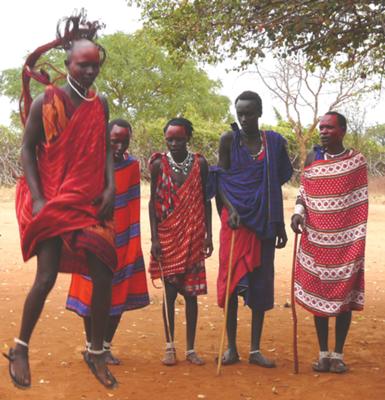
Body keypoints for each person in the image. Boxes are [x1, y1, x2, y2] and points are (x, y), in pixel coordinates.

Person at [5, 12, 118, 388]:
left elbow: (103, 148)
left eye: (94, 66)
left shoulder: (99, 104)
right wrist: (38, 198)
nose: (89, 72)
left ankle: (96, 350)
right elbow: (25, 150)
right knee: (46, 276)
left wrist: (110, 187)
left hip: (90, 199)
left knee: (103, 270)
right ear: (68, 64)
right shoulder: (46, 102)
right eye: (83, 66)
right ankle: (20, 346)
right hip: (54, 197)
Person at [210, 91, 292, 367]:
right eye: (240, 113)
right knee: (233, 284)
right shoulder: (228, 140)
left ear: (259, 113)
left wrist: (278, 222)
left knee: (260, 284)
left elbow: (276, 181)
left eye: (249, 113)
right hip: (234, 224)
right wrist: (231, 209)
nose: (244, 118)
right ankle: (231, 348)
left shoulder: (274, 143)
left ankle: (255, 350)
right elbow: (219, 181)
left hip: (263, 223)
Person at [66, 118, 150, 364]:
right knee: (91, 291)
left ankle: (104, 346)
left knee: (119, 293)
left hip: (123, 239)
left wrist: (133, 240)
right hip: (91, 237)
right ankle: (91, 347)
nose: (120, 147)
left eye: (125, 141)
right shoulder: (88, 163)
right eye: (115, 141)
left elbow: (133, 203)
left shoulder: (132, 166)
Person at [291, 111, 368, 373]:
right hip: (317, 241)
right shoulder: (314, 158)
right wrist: (297, 214)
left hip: (347, 244)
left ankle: (338, 354)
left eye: (329, 128)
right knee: (319, 297)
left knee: (344, 297)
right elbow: (304, 191)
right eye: (321, 128)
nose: (323, 132)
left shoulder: (356, 161)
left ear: (343, 131)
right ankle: (323, 353)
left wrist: (357, 239)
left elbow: (359, 202)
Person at [148, 118, 213, 366]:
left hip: (194, 235)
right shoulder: (157, 165)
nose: (174, 143)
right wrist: (154, 238)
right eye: (170, 139)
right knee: (169, 293)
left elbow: (206, 201)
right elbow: (152, 204)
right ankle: (169, 346)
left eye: (179, 139)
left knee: (192, 295)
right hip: (167, 237)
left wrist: (208, 234)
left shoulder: (200, 164)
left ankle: (191, 349)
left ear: (188, 139)